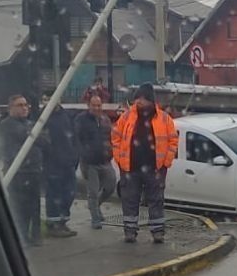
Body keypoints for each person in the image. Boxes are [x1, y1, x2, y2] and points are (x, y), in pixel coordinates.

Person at [111, 83, 178, 244]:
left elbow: (173, 140)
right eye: (137, 98)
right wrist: (120, 160)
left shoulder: (163, 118)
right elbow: (115, 137)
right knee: (129, 199)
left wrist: (165, 163)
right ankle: (130, 231)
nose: (138, 102)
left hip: (155, 168)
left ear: (150, 100)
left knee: (156, 199)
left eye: (142, 98)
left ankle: (157, 231)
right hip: (130, 167)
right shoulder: (127, 117)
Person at [0, 94, 48, 246]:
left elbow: (45, 141)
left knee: (35, 206)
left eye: (26, 105)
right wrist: (34, 133)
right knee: (20, 207)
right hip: (18, 172)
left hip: (33, 171)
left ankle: (36, 235)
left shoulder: (31, 123)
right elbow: (26, 136)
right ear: (10, 108)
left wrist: (35, 133)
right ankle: (21, 236)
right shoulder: (7, 124)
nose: (25, 108)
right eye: (20, 105)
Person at [75, 94, 117, 229]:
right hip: (90, 162)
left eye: (99, 105)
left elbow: (110, 137)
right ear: (88, 106)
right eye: (94, 105)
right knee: (92, 191)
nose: (97, 108)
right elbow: (76, 139)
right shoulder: (81, 120)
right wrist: (83, 154)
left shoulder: (105, 119)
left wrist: (111, 151)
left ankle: (96, 205)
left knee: (110, 186)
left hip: (105, 160)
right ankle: (95, 219)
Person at [41, 91, 79, 238]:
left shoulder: (66, 116)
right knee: (54, 194)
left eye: (51, 98)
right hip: (52, 164)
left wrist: (75, 156)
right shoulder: (43, 118)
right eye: (45, 99)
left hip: (68, 163)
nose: (48, 101)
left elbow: (74, 138)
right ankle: (53, 225)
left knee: (68, 194)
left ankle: (63, 222)